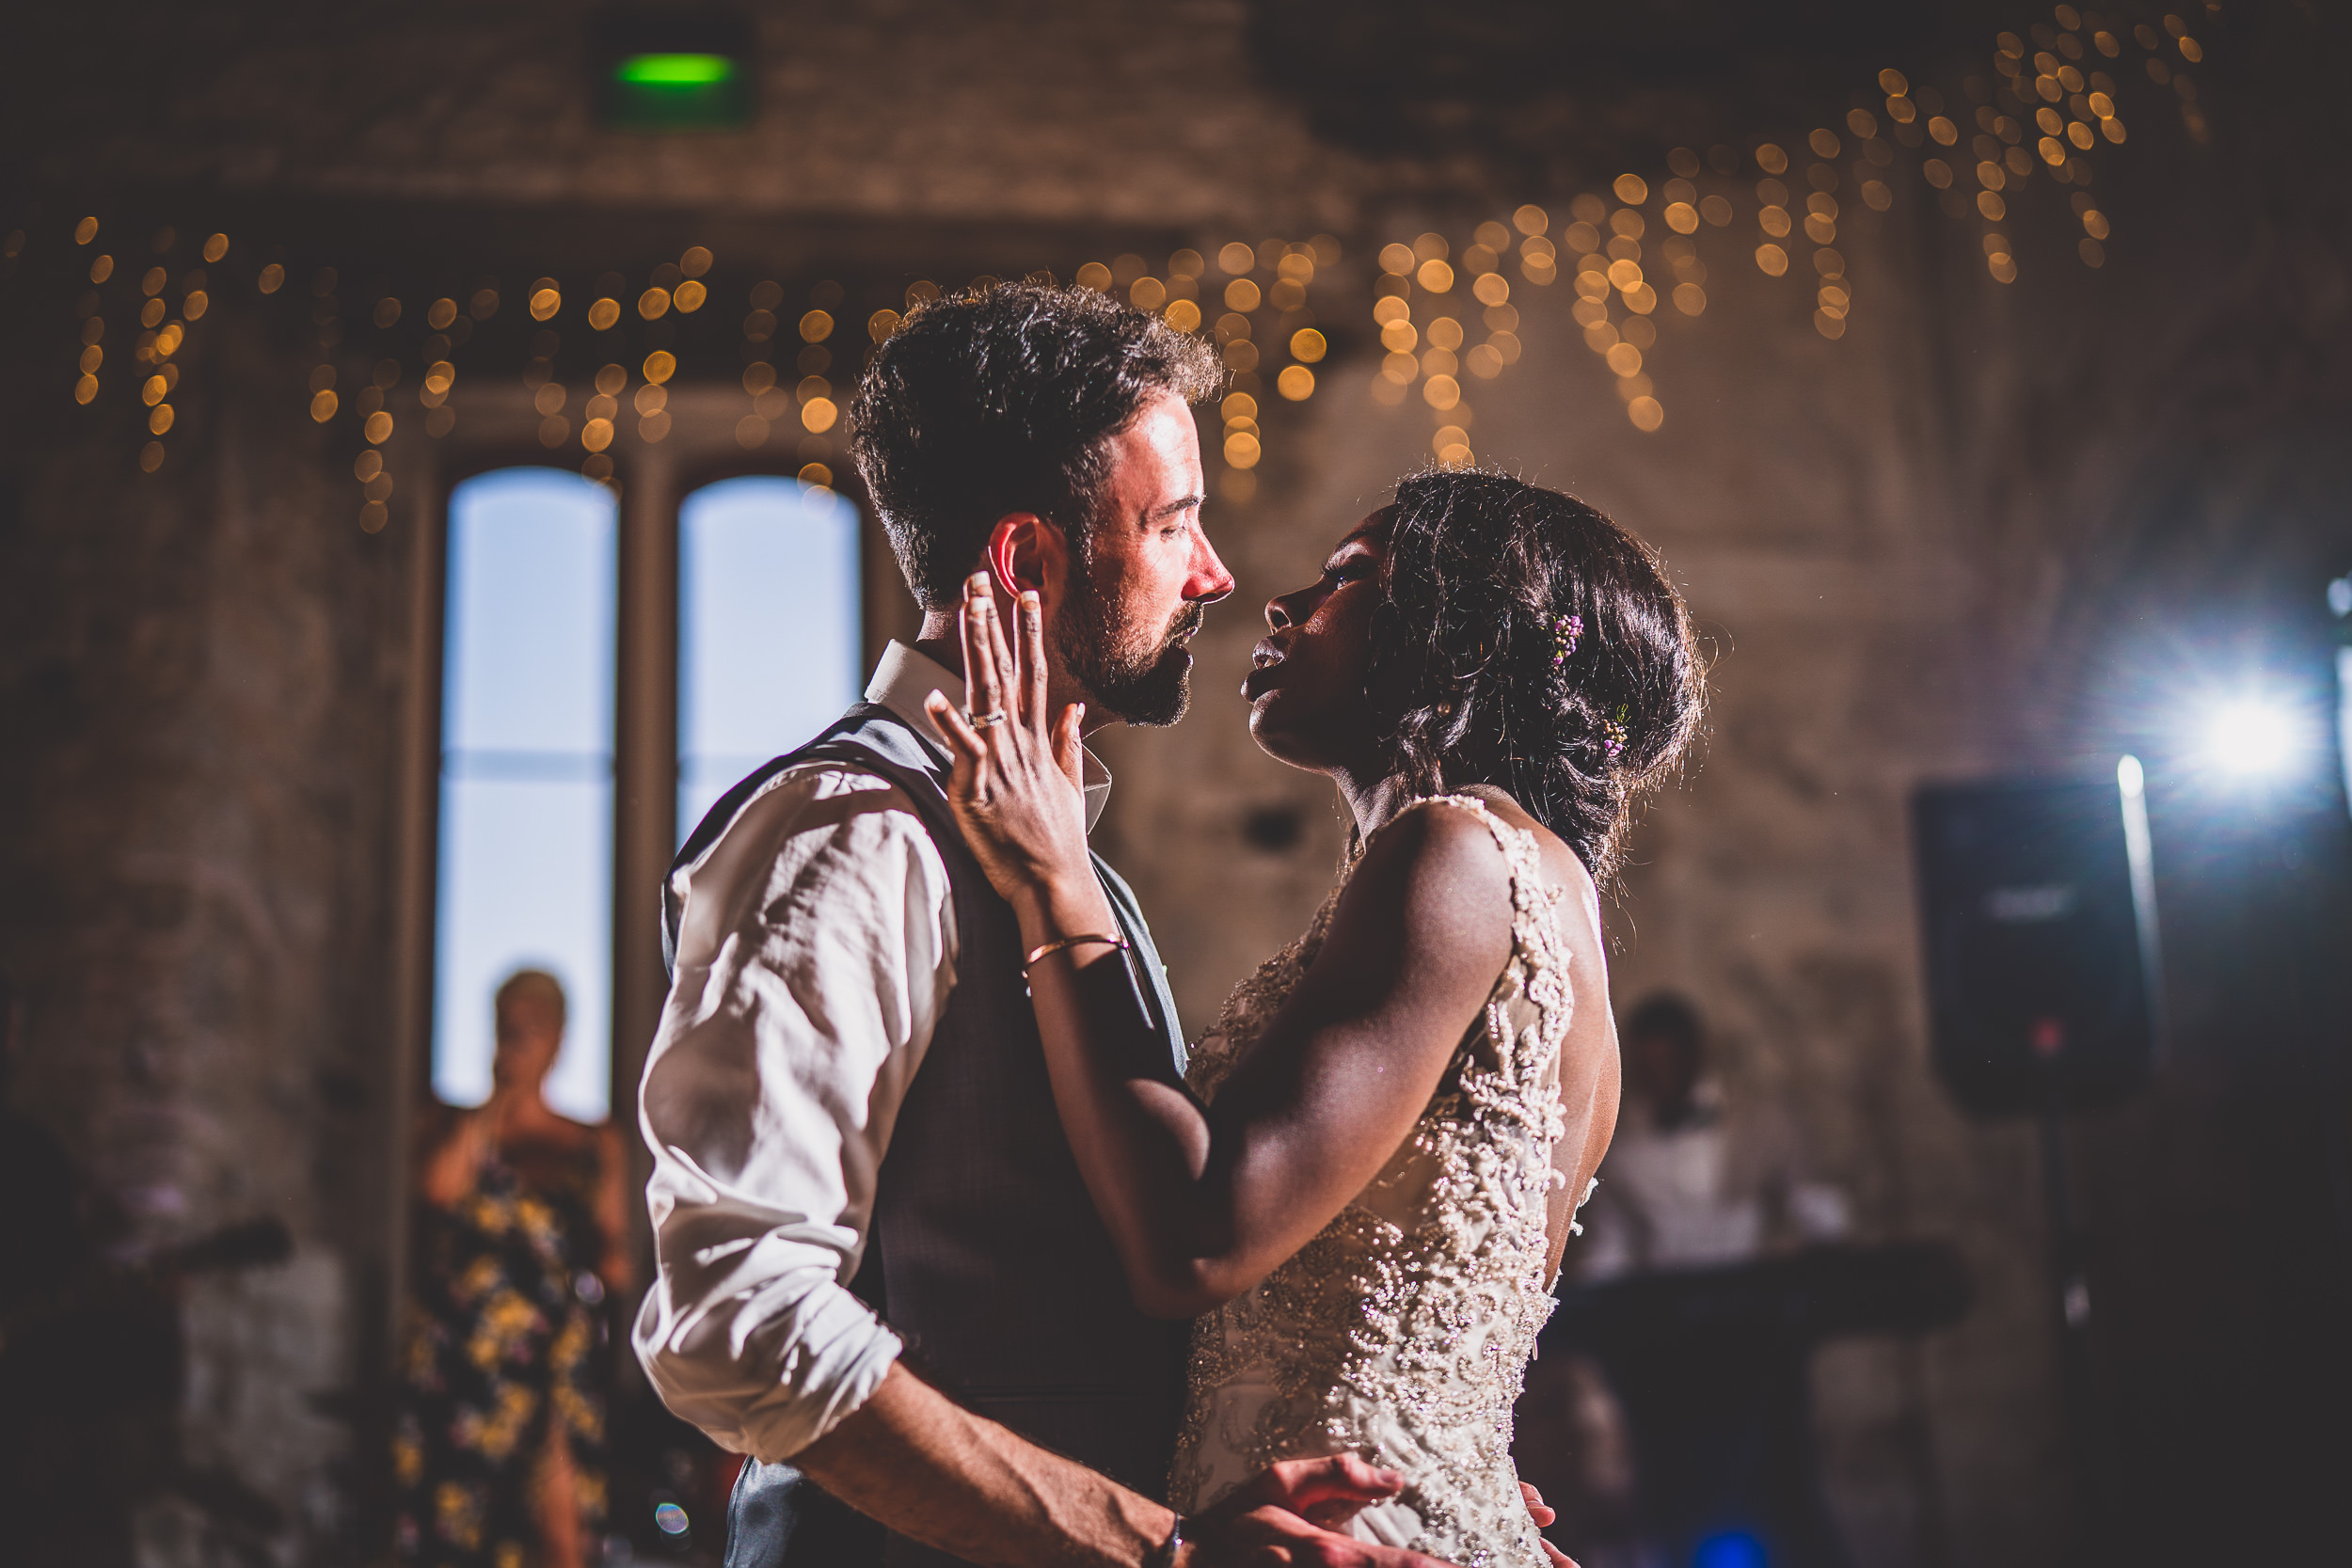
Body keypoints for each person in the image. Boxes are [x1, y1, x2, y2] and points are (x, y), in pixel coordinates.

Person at [631, 282, 1467, 1568]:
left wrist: (1420, 1469)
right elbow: (735, 1312)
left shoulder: (1057, 859)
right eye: (1175, 523)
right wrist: (1160, 1548)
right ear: (1028, 560)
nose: (1216, 571)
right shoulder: (852, 834)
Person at [925, 467, 1705, 1564]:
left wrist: (1059, 882)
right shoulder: (1541, 894)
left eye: (1346, 578)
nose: (1280, 603)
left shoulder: (1453, 854)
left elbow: (1196, 1237)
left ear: (1459, 633)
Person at [397, 969, 634, 1568]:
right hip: (466, 1355)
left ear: (560, 1039)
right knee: (459, 1525)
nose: (521, 1039)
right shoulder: (455, 1123)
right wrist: (495, 1102)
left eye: (535, 1028)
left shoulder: (594, 1141)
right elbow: (437, 1194)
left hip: (555, 1355)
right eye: (510, 1026)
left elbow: (618, 1261)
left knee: (564, 1524)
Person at [1574, 993, 1850, 1280]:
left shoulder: (1762, 1123)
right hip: (1663, 1304)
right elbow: (1611, 1243)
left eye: (1669, 1061)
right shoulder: (1614, 1140)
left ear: (1697, 1052)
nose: (1660, 1077)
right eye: (1648, 1066)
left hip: (1755, 1294)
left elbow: (1815, 1207)